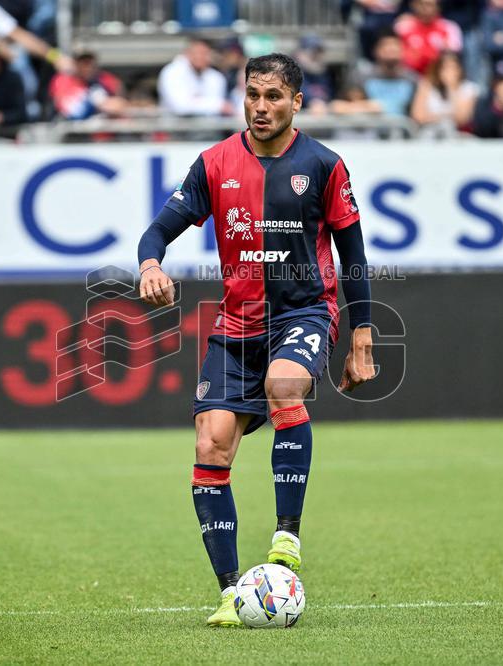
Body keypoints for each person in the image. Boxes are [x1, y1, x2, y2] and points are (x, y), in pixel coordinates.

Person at [137, 53, 375, 627]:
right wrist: (149, 264)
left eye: (273, 96)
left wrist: (362, 337)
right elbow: (159, 228)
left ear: (297, 102)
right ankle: (230, 593)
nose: (261, 106)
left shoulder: (323, 165)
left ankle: (286, 538)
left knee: (284, 381)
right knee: (210, 445)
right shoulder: (215, 162)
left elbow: (355, 258)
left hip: (303, 311)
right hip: (238, 324)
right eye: (252, 95)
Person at [410, 50, 478, 136]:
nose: (448, 72)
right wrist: (445, 117)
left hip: (457, 135)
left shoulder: (468, 88)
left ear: (460, 69)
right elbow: (418, 116)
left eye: (453, 68)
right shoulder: (427, 85)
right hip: (429, 132)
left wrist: (451, 88)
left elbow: (462, 118)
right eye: (445, 68)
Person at [157, 37, 229, 116]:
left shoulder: (216, 77)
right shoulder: (171, 72)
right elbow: (180, 107)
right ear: (187, 53)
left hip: (209, 126)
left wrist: (195, 102)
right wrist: (216, 105)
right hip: (174, 126)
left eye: (205, 53)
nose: (200, 57)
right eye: (197, 52)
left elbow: (216, 110)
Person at [48, 49, 125, 120]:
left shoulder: (101, 79)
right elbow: (70, 112)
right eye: (84, 63)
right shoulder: (63, 80)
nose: (88, 67)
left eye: (90, 63)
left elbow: (119, 98)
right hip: (71, 130)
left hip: (102, 128)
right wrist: (98, 104)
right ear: (75, 64)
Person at [393, 0, 463, 75]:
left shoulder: (449, 27)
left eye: (429, 5)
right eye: (421, 4)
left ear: (438, 7)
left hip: (439, 76)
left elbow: (453, 56)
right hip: (408, 76)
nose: (425, 8)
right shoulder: (402, 26)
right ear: (414, 5)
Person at [361, 33, 418, 117]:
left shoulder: (413, 79)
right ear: (375, 50)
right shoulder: (362, 76)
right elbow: (344, 105)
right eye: (386, 45)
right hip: (370, 124)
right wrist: (365, 107)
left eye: (395, 45)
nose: (391, 49)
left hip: (404, 126)